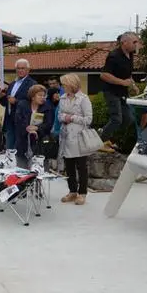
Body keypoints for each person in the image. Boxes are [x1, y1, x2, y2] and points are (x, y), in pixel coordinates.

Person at [98, 33, 139, 152]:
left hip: (122, 93)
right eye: (134, 42)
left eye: (136, 42)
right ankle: (99, 142)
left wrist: (133, 85)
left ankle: (107, 136)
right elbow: (104, 75)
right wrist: (122, 82)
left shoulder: (130, 55)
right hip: (111, 92)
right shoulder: (114, 56)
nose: (136, 45)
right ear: (124, 43)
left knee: (129, 119)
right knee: (117, 119)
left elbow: (127, 74)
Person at [57, 74, 93, 205]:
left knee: (81, 166)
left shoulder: (83, 99)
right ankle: (72, 191)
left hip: (79, 137)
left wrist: (72, 118)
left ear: (72, 84)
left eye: (65, 84)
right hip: (66, 136)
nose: (63, 87)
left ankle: (82, 193)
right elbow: (60, 115)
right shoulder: (62, 98)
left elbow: (88, 119)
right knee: (69, 166)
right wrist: (64, 117)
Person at [0, 59, 36, 151]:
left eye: (22, 68)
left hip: (22, 121)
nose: (20, 70)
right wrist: (1, 97)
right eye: (18, 68)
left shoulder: (32, 84)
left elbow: (33, 103)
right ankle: (9, 164)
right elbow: (5, 103)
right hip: (10, 119)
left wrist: (16, 101)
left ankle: (19, 165)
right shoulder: (12, 84)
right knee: (9, 148)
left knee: (19, 149)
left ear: (28, 70)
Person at [14, 84, 54, 169]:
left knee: (40, 172)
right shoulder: (22, 105)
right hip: (23, 143)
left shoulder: (48, 107)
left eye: (44, 95)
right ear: (32, 96)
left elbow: (49, 124)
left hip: (41, 144)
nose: (42, 97)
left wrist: (37, 128)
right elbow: (18, 121)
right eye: (40, 95)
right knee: (22, 172)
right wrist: (27, 128)